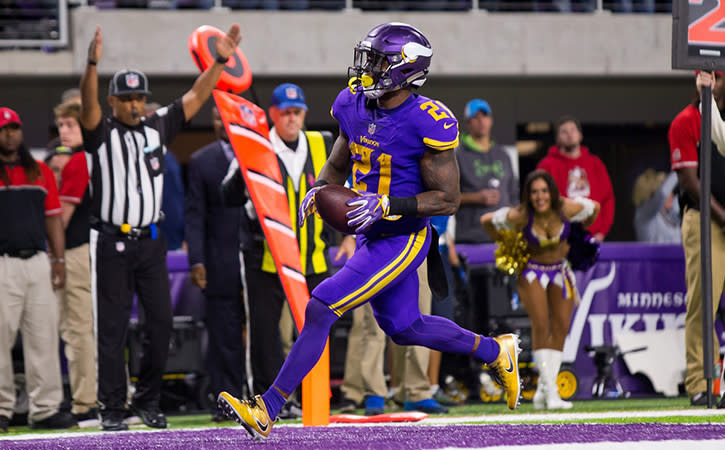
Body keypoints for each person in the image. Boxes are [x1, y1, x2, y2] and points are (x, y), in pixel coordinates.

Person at [217, 22, 521, 441]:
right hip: (367, 232)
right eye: (369, 58)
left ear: (404, 68)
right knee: (404, 327)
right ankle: (495, 350)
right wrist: (320, 188)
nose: (369, 67)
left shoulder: (427, 120)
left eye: (378, 60)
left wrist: (387, 205)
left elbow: (447, 200)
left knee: (321, 306)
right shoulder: (353, 104)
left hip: (403, 235)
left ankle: (267, 408)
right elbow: (340, 160)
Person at [79, 24, 242, 431]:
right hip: (112, 241)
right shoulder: (101, 134)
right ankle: (112, 408)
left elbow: (196, 96)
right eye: (127, 98)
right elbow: (87, 106)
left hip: (152, 241)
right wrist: (92, 64)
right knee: (112, 330)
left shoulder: (157, 128)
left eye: (139, 98)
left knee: (161, 325)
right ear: (113, 101)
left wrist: (220, 61)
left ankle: (148, 401)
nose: (135, 105)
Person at [220, 83, 334, 419]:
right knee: (265, 332)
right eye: (285, 112)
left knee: (317, 326)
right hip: (266, 257)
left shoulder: (321, 143)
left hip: (312, 255)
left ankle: (314, 399)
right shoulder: (255, 145)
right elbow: (226, 196)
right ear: (272, 114)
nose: (291, 118)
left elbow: (338, 190)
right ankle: (265, 402)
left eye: (297, 111)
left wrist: (342, 236)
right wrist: (245, 174)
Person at [481, 169, 599, 410]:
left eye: (544, 191)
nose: (540, 196)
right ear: (528, 195)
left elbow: (594, 208)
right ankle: (552, 393)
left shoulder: (566, 208)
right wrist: (505, 241)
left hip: (560, 271)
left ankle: (545, 391)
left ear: (552, 192)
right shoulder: (522, 215)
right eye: (534, 192)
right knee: (541, 324)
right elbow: (487, 221)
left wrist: (580, 230)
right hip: (532, 271)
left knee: (560, 327)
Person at [0, 107, 77, 431]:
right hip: (3, 264)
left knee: (43, 336)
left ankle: (45, 408)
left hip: (37, 263)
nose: (10, 134)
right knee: (0, 339)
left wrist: (57, 260)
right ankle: (2, 410)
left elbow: (54, 219)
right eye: (4, 129)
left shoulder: (40, 170)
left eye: (14, 128)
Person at [185, 107, 246, 422]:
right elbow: (195, 215)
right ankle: (226, 400)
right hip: (219, 259)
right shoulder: (201, 160)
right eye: (216, 118)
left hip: (257, 257)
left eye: (226, 117)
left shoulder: (259, 154)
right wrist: (196, 259)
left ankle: (266, 396)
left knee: (265, 332)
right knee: (223, 333)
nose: (221, 123)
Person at [668, 70, 725, 407]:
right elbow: (691, 181)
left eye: (718, 77)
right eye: (708, 78)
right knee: (704, 302)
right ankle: (700, 382)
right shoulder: (685, 121)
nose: (713, 83)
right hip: (704, 219)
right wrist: (722, 216)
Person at [47, 101, 99, 422]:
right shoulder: (97, 156)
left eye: (70, 124)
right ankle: (111, 397)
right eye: (62, 125)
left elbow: (61, 220)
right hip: (97, 248)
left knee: (76, 329)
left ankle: (86, 402)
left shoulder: (78, 161)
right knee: (100, 328)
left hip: (76, 251)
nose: (64, 131)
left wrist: (55, 257)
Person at [537, 115, 614, 242]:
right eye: (564, 131)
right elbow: (539, 201)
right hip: (560, 238)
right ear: (557, 139)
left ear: (580, 135)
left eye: (573, 130)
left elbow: (608, 199)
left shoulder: (595, 164)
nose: (569, 134)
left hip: (593, 237)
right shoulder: (546, 166)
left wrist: (602, 231)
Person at [454, 98, 518, 245]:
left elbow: (513, 194)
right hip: (471, 238)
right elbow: (449, 197)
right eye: (476, 117)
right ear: (468, 123)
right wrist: (476, 197)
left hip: (504, 236)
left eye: (485, 116)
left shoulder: (502, 154)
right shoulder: (458, 155)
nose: (481, 121)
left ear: (491, 120)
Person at [146, 102, 185, 251]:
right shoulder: (131, 157)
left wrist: (185, 236)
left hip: (174, 238)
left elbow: (179, 199)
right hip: (145, 237)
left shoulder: (170, 159)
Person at [632, 169, 681, 243]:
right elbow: (663, 193)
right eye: (669, 191)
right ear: (653, 195)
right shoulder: (644, 212)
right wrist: (681, 167)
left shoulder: (670, 212)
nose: (671, 195)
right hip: (653, 254)